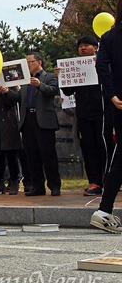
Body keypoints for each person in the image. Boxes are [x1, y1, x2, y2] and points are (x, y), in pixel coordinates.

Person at [60, 35, 114, 197]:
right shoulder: (76, 67)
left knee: (104, 147)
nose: (82, 48)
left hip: (102, 112)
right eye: (80, 46)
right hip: (84, 114)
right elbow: (69, 91)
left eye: (86, 45)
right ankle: (94, 181)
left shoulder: (103, 64)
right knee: (89, 148)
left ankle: (109, 179)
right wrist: (63, 77)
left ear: (95, 47)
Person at [2, 52, 61, 196]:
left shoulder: (49, 77)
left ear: (39, 62)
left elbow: (54, 91)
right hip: (28, 120)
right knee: (32, 155)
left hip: (44, 121)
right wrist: (5, 92)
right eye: (27, 62)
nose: (28, 65)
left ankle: (54, 185)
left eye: (30, 62)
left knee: (48, 155)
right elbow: (18, 98)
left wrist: (40, 85)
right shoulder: (25, 81)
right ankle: (38, 186)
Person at [90, 0, 122, 233]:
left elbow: (101, 65)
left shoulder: (109, 37)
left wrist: (111, 95)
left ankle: (104, 209)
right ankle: (104, 209)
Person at [0, 86, 22, 195]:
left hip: (8, 122)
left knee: (11, 154)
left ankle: (14, 181)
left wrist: (3, 91)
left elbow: (15, 99)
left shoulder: (10, 82)